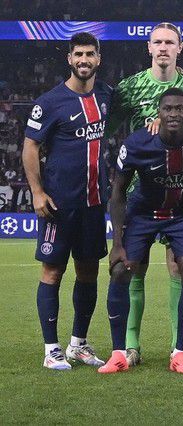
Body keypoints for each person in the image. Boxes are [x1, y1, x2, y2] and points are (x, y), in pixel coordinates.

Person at [107, 22, 183, 367]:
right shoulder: (130, 87)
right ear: (149, 48)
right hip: (140, 191)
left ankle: (179, 348)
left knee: (180, 267)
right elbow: (106, 127)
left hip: (181, 190)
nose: (163, 47)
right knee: (133, 268)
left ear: (180, 47)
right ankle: (130, 346)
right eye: (158, 42)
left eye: (169, 42)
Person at [99, 89, 183, 375]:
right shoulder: (137, 143)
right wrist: (117, 244)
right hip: (143, 214)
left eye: (179, 108)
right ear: (158, 113)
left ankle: (180, 353)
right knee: (120, 270)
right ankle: (118, 353)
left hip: (182, 215)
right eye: (168, 109)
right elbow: (118, 192)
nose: (174, 114)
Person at [22, 32, 111, 370]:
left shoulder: (106, 96)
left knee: (88, 271)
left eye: (89, 54)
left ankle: (78, 344)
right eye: (78, 54)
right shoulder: (50, 102)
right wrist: (37, 192)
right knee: (53, 270)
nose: (84, 60)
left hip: (94, 203)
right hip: (59, 205)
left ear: (98, 58)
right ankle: (51, 349)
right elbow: (30, 146)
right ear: (69, 59)